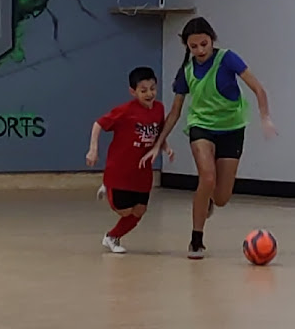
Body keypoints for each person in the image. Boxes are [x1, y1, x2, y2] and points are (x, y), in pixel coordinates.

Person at [139, 17, 277, 259]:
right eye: (194, 46)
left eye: (204, 44)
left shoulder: (228, 59)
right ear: (187, 46)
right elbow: (175, 112)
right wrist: (158, 144)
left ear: (212, 40)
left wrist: (265, 117)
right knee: (207, 177)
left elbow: (258, 88)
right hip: (201, 126)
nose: (200, 50)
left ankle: (209, 200)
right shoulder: (186, 72)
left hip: (232, 128)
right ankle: (196, 239)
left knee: (222, 197)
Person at [86, 66, 174, 253]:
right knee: (125, 210)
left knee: (139, 210)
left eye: (152, 89)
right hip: (120, 170)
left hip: (143, 171)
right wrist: (93, 149)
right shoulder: (125, 111)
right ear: (133, 92)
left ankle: (112, 237)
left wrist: (165, 147)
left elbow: (158, 132)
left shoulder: (159, 108)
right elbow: (98, 124)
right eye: (143, 90)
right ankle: (108, 186)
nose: (149, 94)